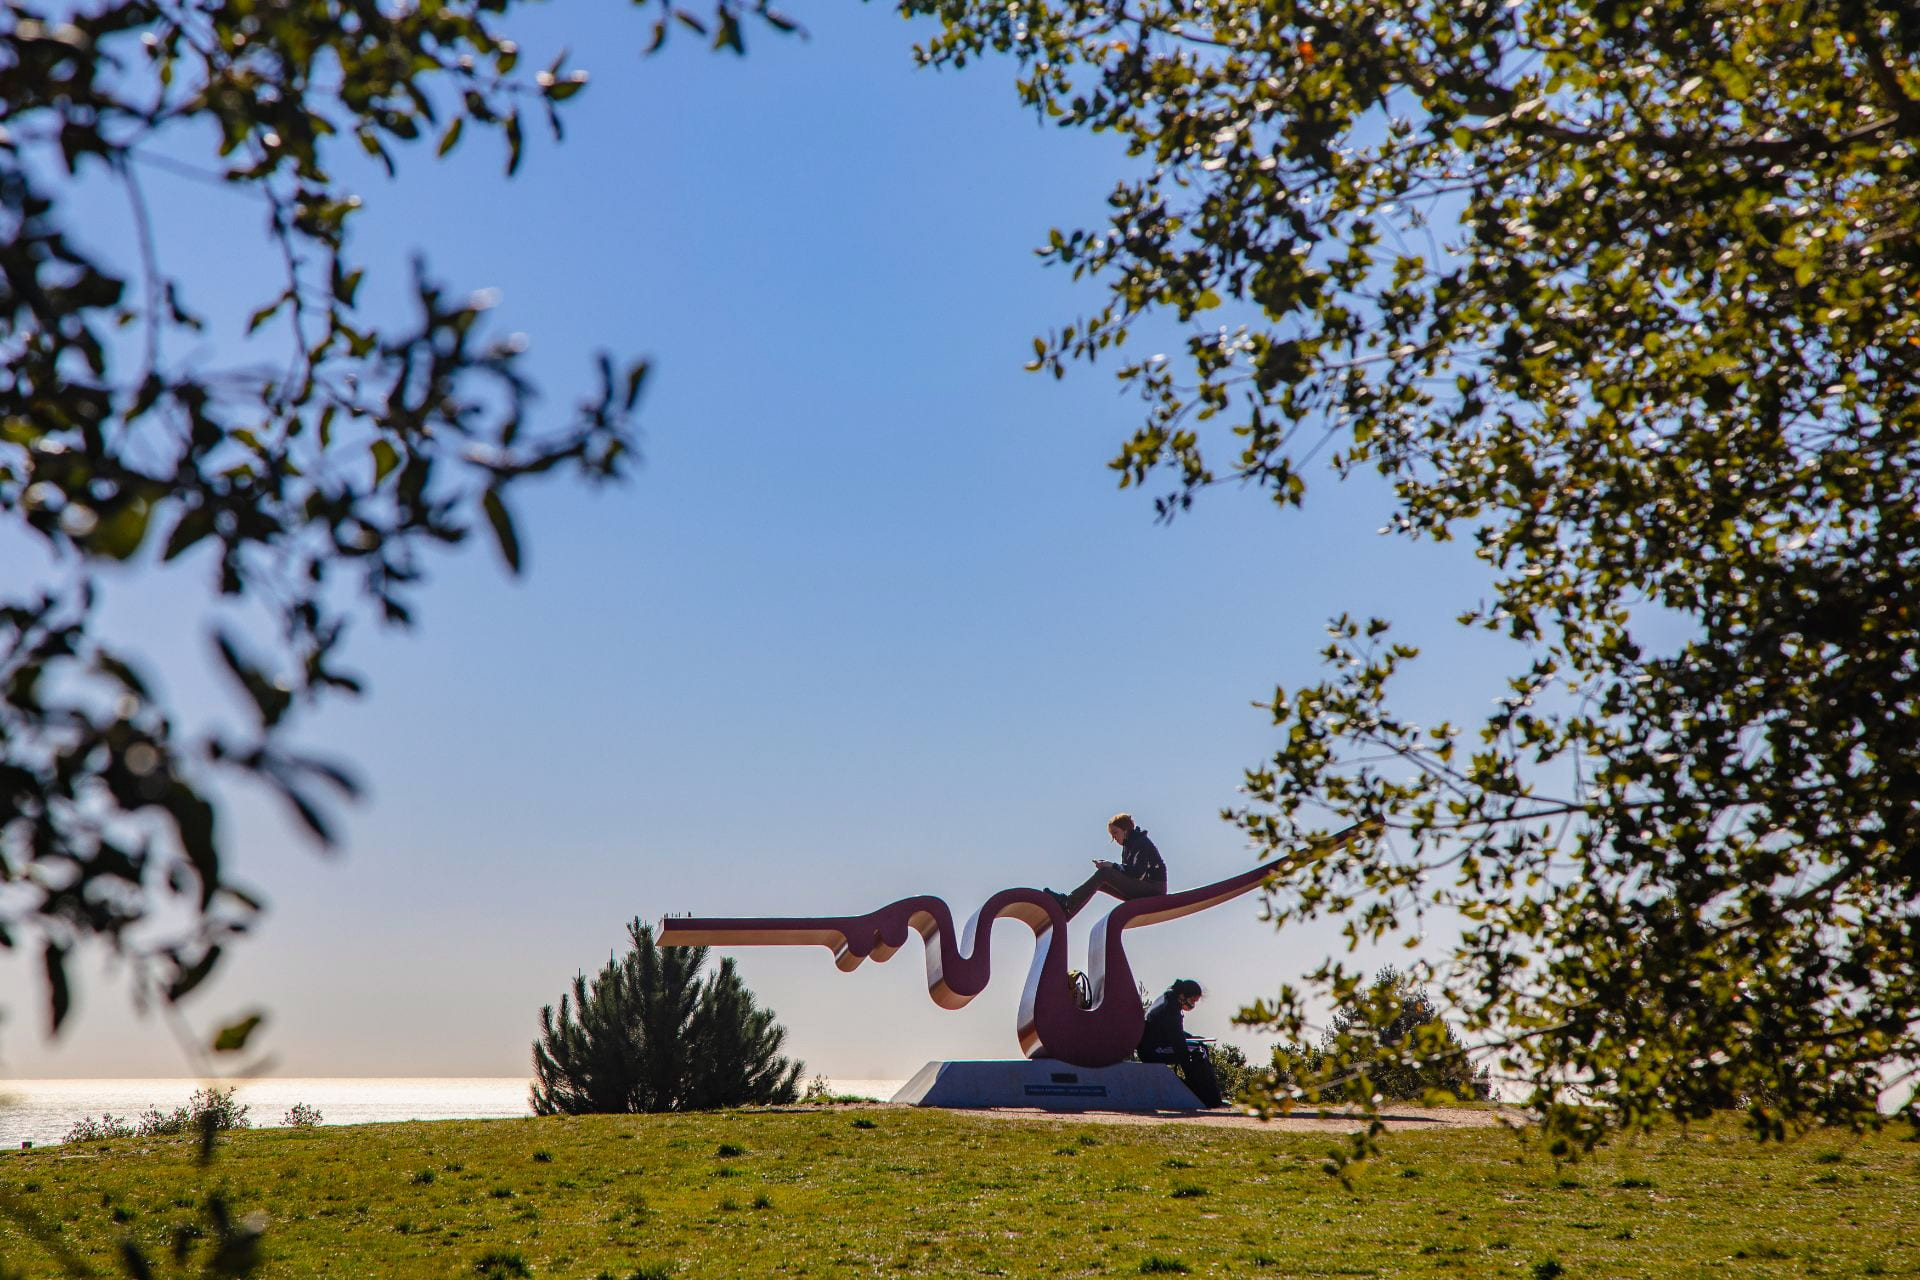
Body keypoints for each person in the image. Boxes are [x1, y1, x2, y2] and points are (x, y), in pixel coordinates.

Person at [1044, 813, 1167, 921]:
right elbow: (1127, 873)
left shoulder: (1141, 842)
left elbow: (1137, 874)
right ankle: (1067, 913)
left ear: (1125, 830)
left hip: (1154, 889)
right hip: (1142, 887)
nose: (1114, 838)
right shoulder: (1127, 847)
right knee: (1102, 881)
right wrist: (1110, 867)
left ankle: (1068, 902)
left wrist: (1111, 866)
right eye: (1112, 835)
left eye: (1115, 833)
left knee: (1104, 874)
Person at [1136, 978, 1223, 1108]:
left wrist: (1192, 1038)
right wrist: (1188, 1059)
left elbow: (1172, 1031)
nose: (1193, 1005)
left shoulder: (1167, 998)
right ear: (1183, 996)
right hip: (1154, 1050)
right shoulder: (1171, 1009)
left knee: (1198, 1046)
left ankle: (1202, 1092)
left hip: (1155, 1045)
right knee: (1200, 1050)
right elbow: (1178, 1042)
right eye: (1192, 1001)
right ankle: (1209, 1096)